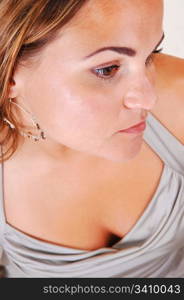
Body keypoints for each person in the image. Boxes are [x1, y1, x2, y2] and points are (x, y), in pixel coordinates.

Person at [0, 0, 183, 278]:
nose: (148, 97)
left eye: (150, 55)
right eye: (107, 69)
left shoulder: (176, 96)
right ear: (11, 71)